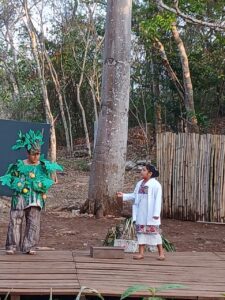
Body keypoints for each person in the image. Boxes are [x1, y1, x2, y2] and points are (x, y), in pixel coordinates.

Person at [0, 130, 63, 255]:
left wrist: (41, 184)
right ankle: (12, 245)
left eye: (38, 154)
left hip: (35, 198)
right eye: (33, 154)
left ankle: (30, 246)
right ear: (28, 153)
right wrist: (18, 183)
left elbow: (47, 180)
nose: (36, 157)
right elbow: (11, 178)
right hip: (20, 198)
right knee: (15, 220)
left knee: (33, 222)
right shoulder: (19, 165)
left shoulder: (43, 166)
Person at [117, 163, 165, 260]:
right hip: (141, 213)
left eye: (144, 170)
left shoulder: (156, 185)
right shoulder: (139, 184)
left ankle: (161, 253)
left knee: (155, 233)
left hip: (151, 213)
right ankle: (141, 253)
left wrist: (156, 214)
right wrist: (124, 195)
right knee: (141, 233)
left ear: (150, 173)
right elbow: (135, 195)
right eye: (141, 170)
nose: (141, 172)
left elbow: (158, 200)